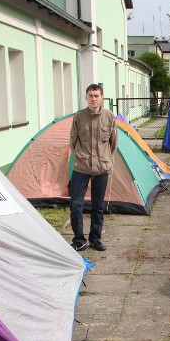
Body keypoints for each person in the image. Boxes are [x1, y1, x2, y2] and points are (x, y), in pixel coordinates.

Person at [69, 84, 117, 252]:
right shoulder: (79, 117)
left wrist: (105, 160)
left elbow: (113, 143)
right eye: (90, 95)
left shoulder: (110, 116)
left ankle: (95, 239)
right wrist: (82, 157)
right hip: (81, 168)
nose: (94, 99)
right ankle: (78, 240)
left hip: (102, 168)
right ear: (86, 97)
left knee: (97, 206)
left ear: (102, 97)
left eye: (96, 95)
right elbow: (73, 142)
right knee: (76, 204)